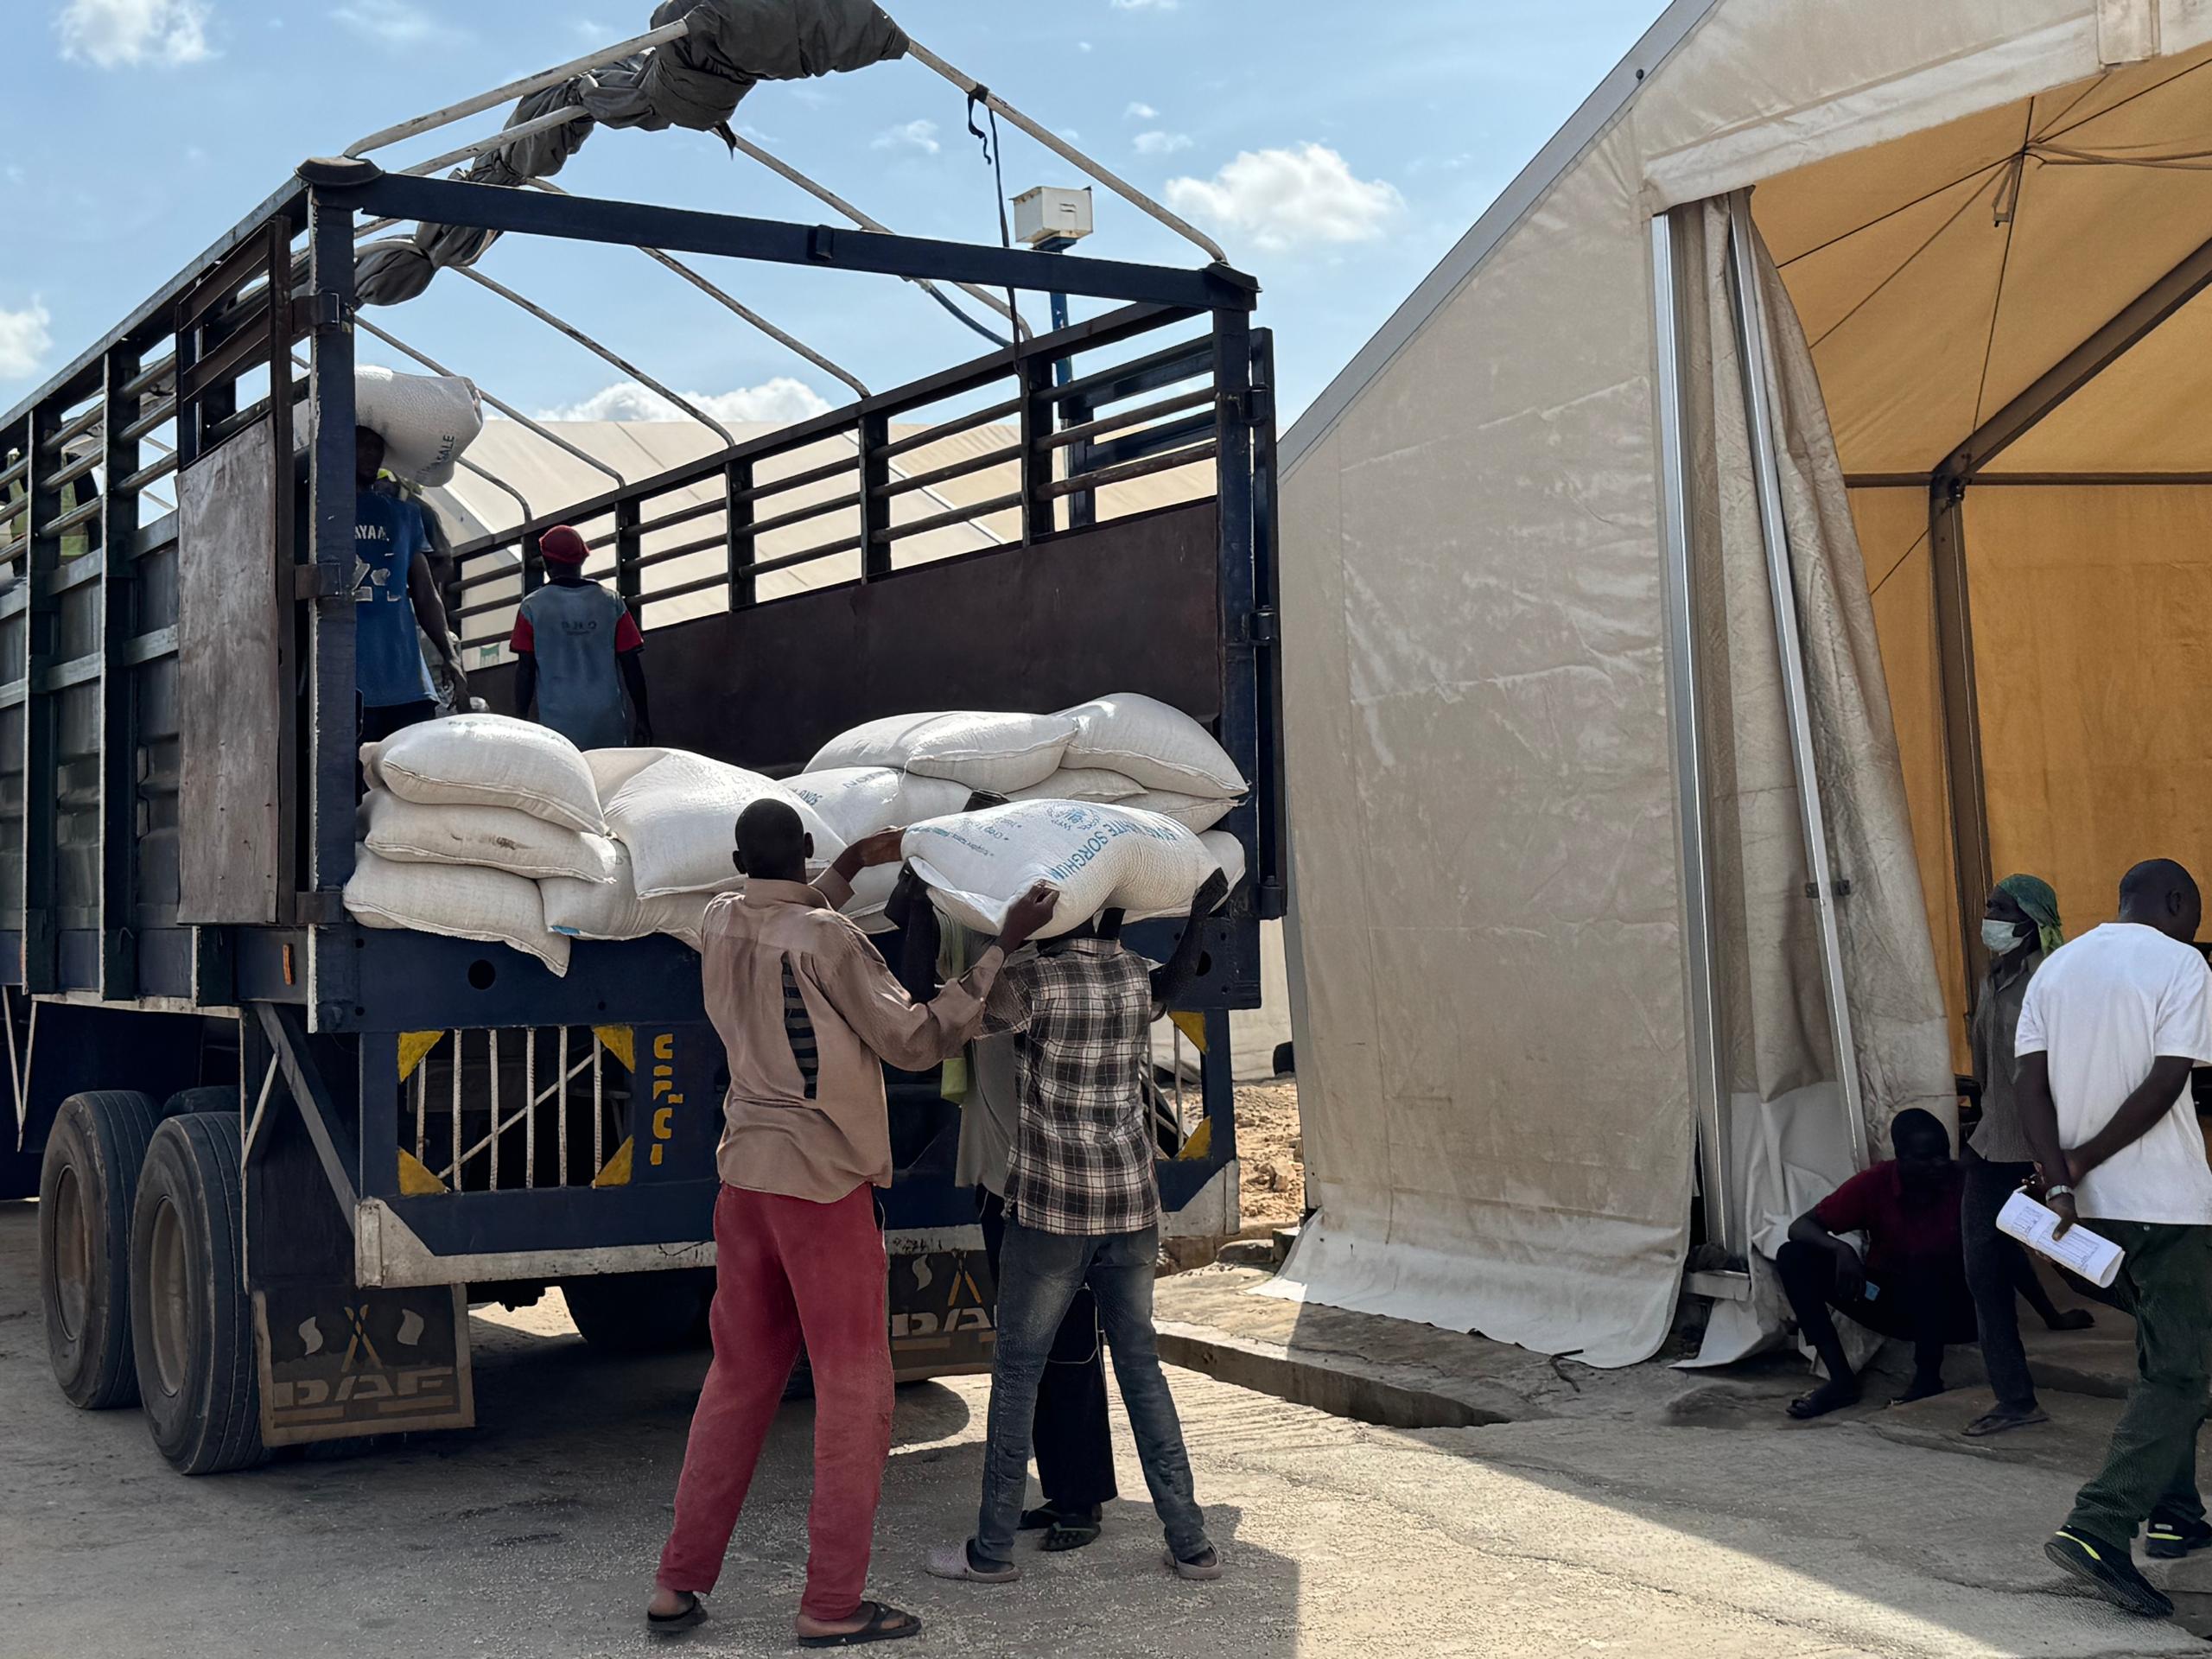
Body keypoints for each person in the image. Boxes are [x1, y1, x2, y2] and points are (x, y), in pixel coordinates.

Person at [645, 800, 1058, 1644]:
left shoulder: (719, 920)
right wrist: (1001, 949)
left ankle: (676, 1584)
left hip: (746, 1183)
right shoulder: (831, 941)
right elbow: (910, 1039)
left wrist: (848, 870)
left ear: (737, 857)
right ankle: (831, 1605)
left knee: (736, 1381)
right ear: (803, 852)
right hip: (820, 1188)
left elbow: (783, 912)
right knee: (854, 1388)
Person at [925, 869, 1232, 1589]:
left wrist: (1005, 935)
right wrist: (1196, 915)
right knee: (1141, 1371)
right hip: (1131, 1208)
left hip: (1053, 1211)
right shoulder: (1133, 976)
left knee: (1017, 1375)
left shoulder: (1035, 982)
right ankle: (1192, 1547)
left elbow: (952, 1010)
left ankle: (990, 1553)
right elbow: (1175, 983)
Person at [2019, 859, 2212, 1620]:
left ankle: (2175, 1514)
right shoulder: (2181, 962)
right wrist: (2089, 1157)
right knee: (2181, 1374)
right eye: (2193, 911)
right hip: (2167, 1207)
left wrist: (2062, 1181)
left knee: (2165, 1350)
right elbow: (2171, 1081)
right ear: (2173, 902)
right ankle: (2099, 1526)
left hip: (2086, 1216)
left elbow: (2027, 1086)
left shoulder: (2056, 968)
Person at [1961, 874, 2095, 1439]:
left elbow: (2069, 1072)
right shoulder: (1995, 980)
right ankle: (2014, 1396)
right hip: (1993, 1146)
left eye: (2001, 908)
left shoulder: (2051, 982)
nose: (1989, 915)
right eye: (1989, 904)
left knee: (2094, 1266)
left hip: (2041, 1152)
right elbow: (1990, 1070)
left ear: (2032, 919)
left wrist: (2060, 1155)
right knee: (1984, 1271)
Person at [1776, 1108, 1979, 1420]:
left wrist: (2051, 1316)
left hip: (1957, 1311)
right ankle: (1840, 1381)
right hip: (1892, 1300)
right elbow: (1801, 1227)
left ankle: (1928, 1379)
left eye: (1943, 1154)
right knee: (1793, 1257)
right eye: (1926, 1158)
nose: (1939, 1164)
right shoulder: (1876, 1182)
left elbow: (2012, 1256)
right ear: (1901, 1157)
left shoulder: (1963, 1183)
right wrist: (1840, 1248)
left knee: (1926, 1263)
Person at [353, 426, 462, 743]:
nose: (371, 454)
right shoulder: (313, 513)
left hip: (407, 678)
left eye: (376, 447)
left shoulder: (405, 515)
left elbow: (426, 593)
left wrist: (450, 654)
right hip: (349, 680)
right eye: (360, 446)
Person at [510, 523, 652, 751]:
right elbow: (631, 664)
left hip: (558, 726)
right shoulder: (610, 602)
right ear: (582, 559)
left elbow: (525, 671)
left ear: (547, 563)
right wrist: (643, 718)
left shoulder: (532, 608)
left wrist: (520, 718)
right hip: (608, 722)